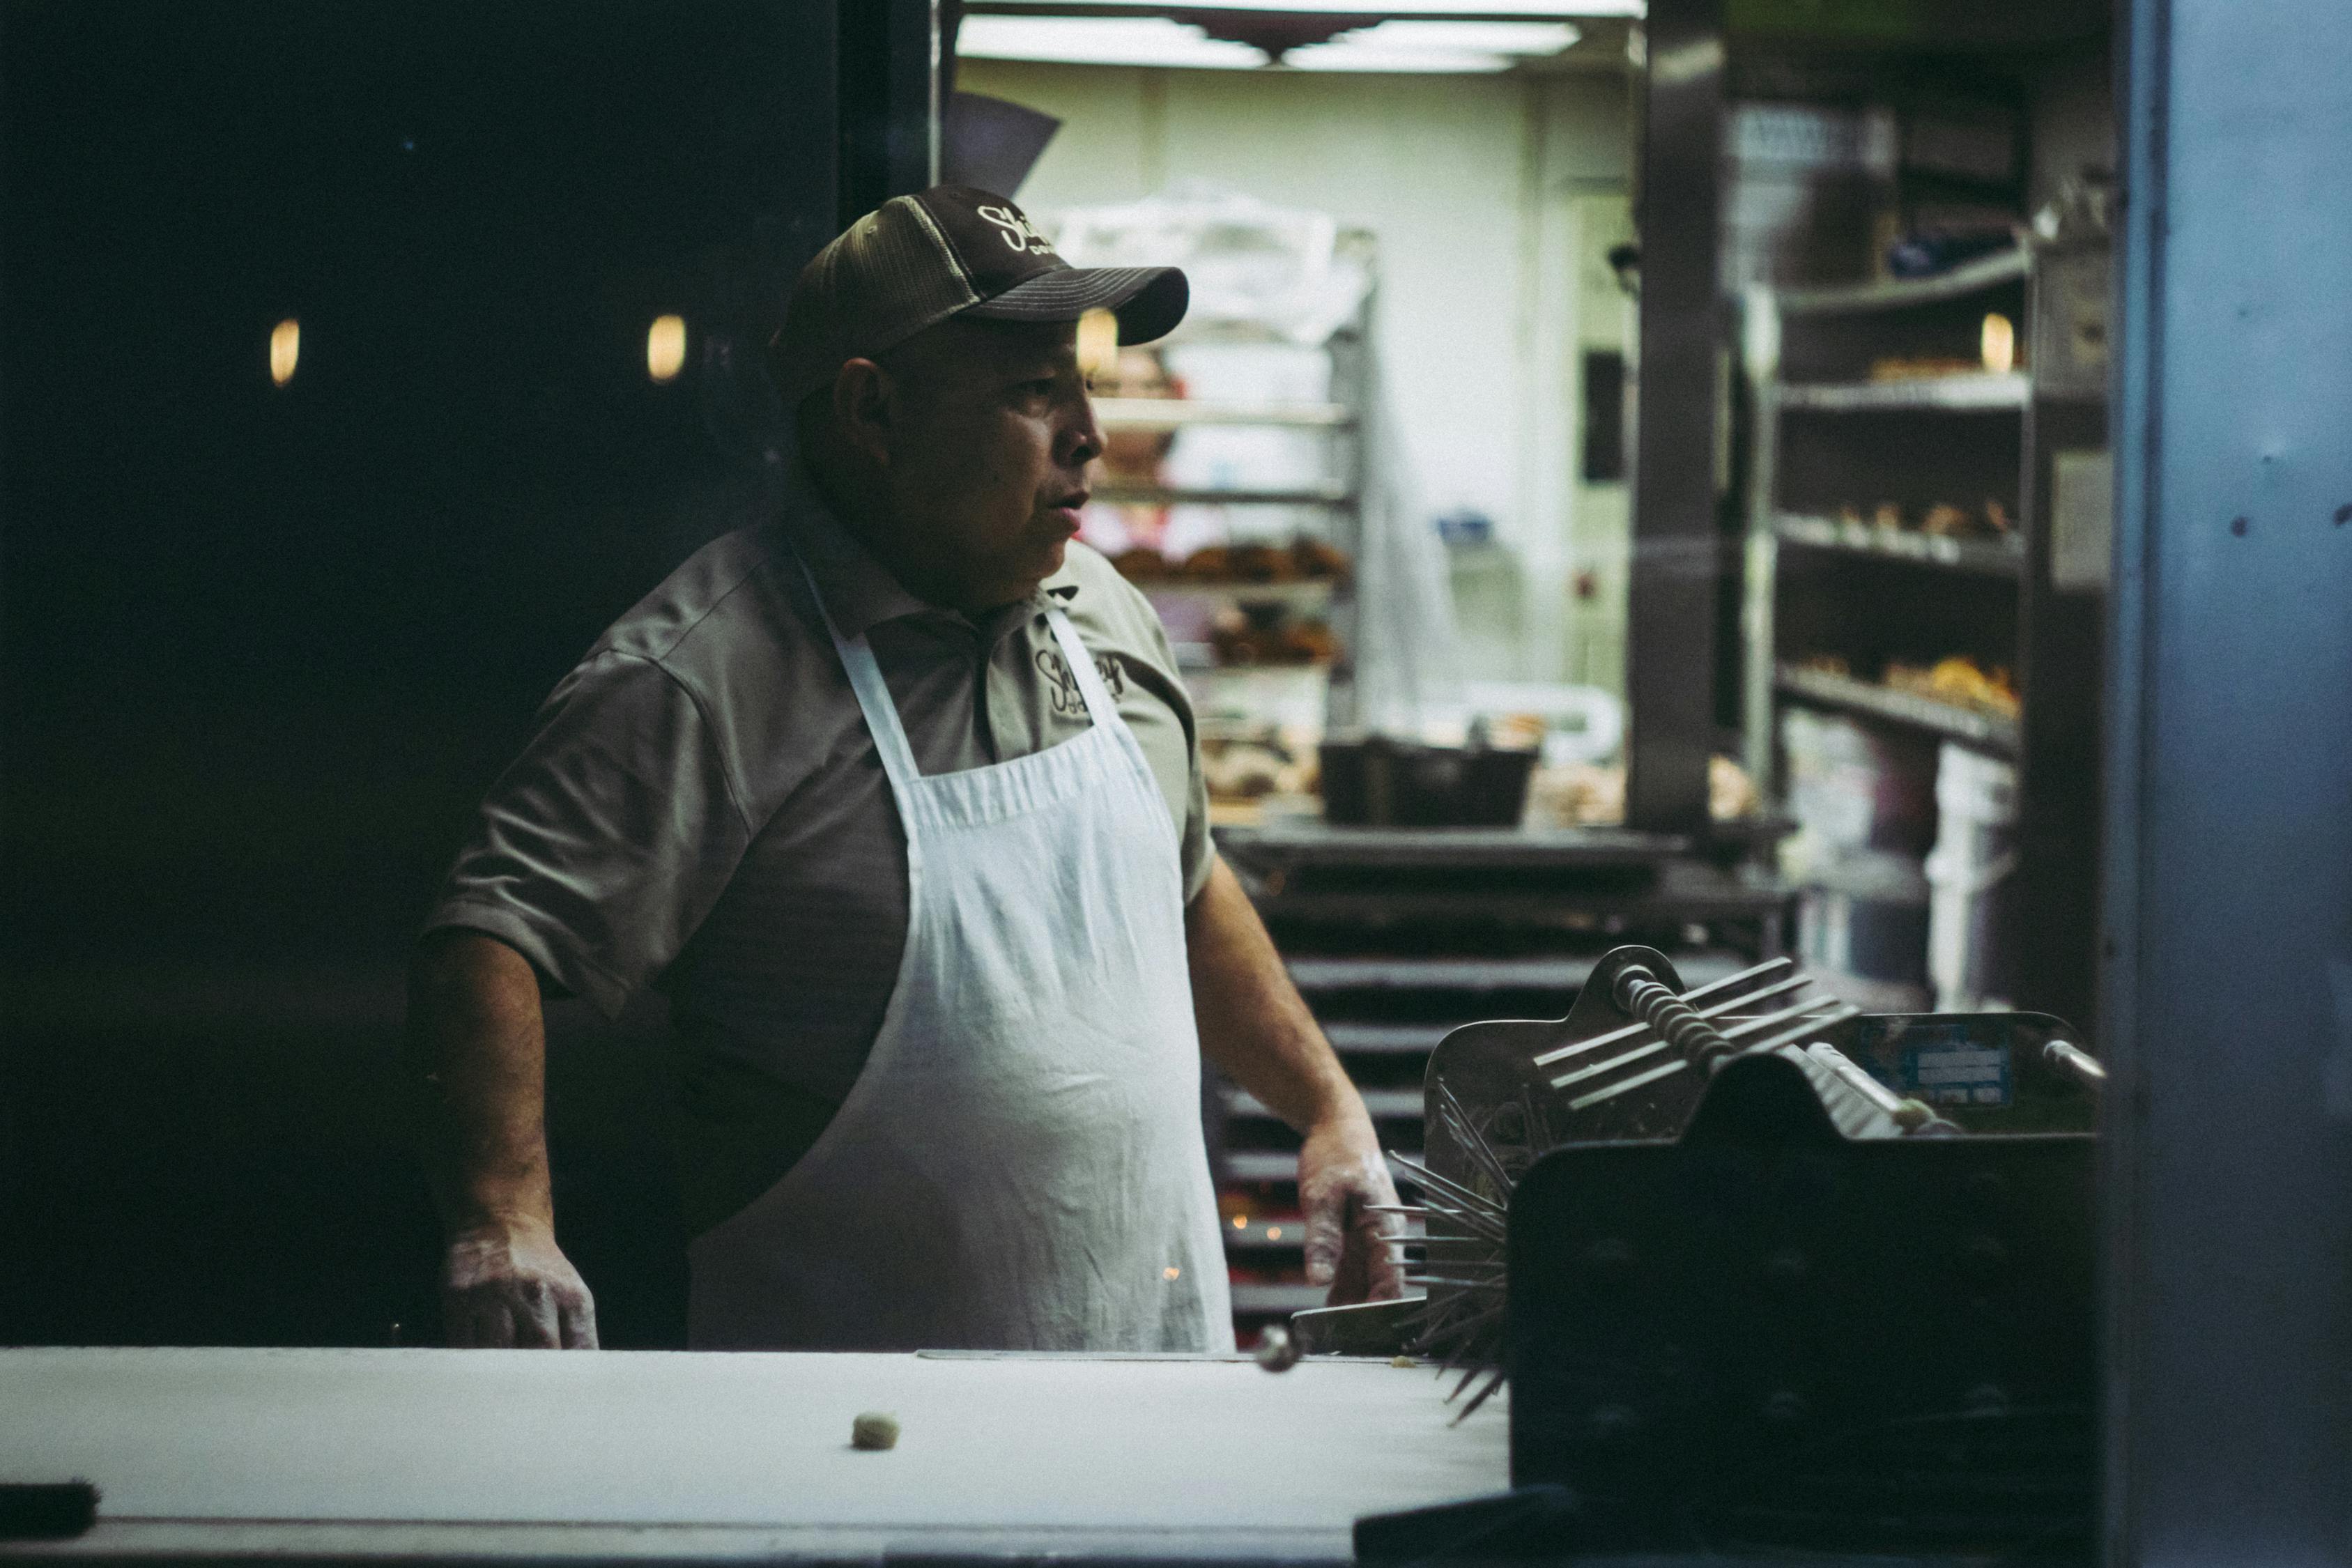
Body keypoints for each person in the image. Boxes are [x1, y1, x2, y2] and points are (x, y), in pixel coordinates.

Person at [405, 185, 1404, 1351]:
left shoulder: (1102, 612)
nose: (1092, 431)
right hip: (843, 1432)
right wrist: (503, 1220)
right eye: (1035, 392)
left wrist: (1328, 1108)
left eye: (1080, 381)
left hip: (1149, 1376)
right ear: (875, 412)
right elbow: (492, 933)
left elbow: (1181, 885)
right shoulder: (709, 669)